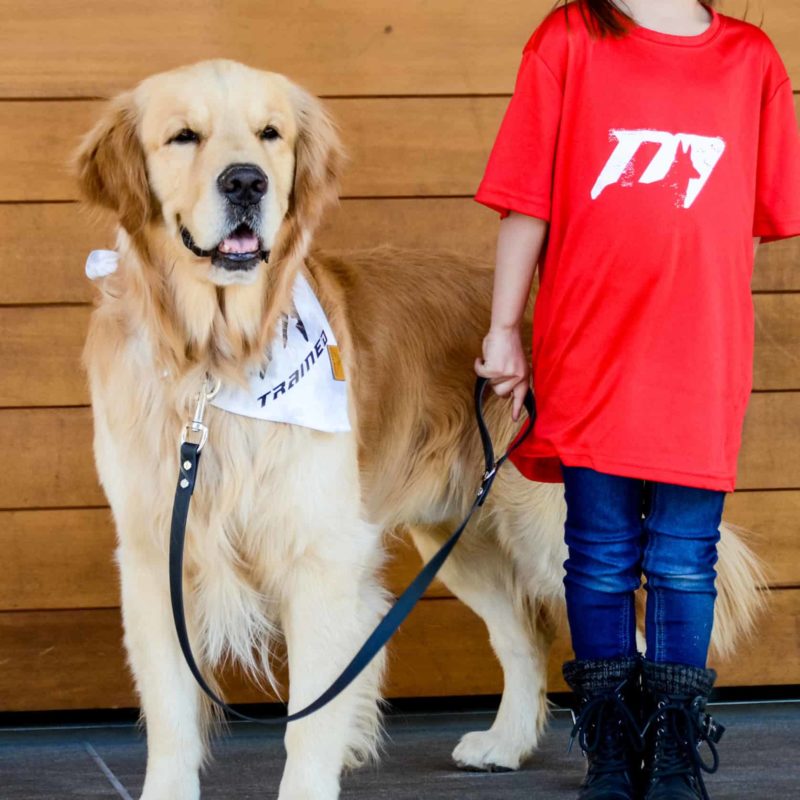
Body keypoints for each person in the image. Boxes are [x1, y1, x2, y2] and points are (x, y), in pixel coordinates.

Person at [473, 1, 800, 798]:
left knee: (686, 559)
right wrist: (505, 329)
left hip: (699, 363)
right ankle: (612, 749)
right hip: (590, 350)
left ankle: (675, 748)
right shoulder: (567, 41)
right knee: (600, 553)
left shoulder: (752, 62)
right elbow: (527, 201)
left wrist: (699, 318)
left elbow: (745, 229)